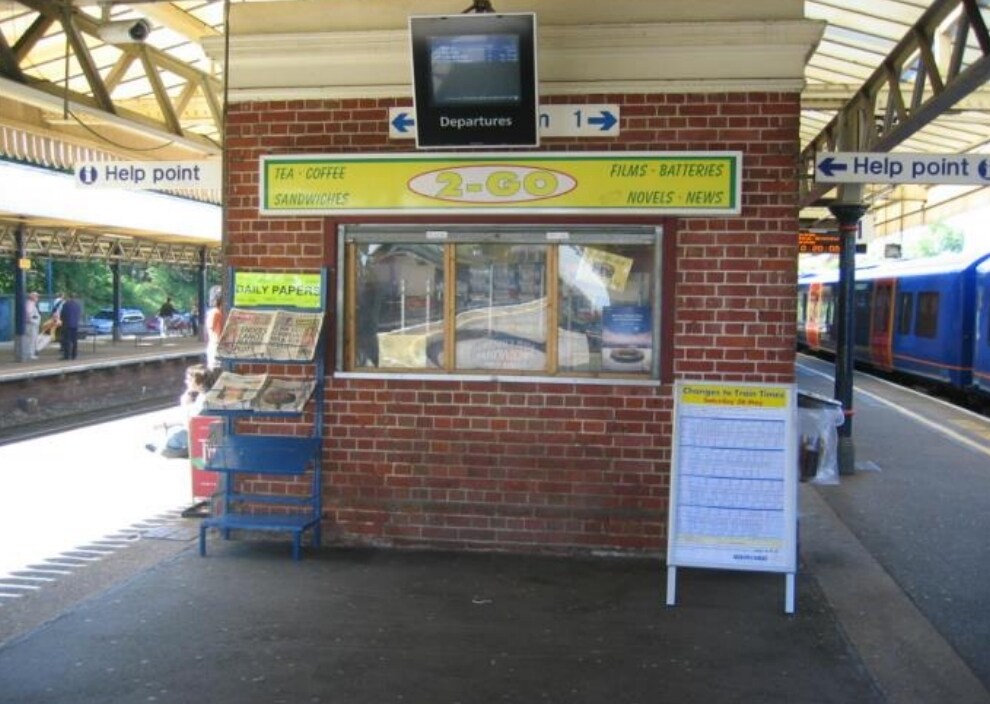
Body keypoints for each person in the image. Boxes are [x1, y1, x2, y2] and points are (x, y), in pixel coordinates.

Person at [59, 292, 82, 360]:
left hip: (67, 325)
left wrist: (63, 321)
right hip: (75, 325)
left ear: (69, 297)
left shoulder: (66, 304)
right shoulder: (78, 305)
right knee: (74, 341)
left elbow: (62, 314)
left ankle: (67, 356)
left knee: (67, 340)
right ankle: (74, 355)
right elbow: (79, 315)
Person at [205, 287, 223, 370]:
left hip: (217, 345)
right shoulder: (215, 312)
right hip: (216, 346)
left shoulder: (217, 312)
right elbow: (211, 327)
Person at [25, 292, 41, 360]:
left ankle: (30, 353)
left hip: (32, 324)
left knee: (31, 339)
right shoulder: (30, 304)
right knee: (31, 339)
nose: (38, 298)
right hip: (31, 325)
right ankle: (30, 354)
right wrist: (33, 320)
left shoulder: (30, 303)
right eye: (37, 296)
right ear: (33, 297)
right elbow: (29, 314)